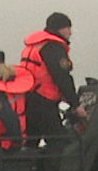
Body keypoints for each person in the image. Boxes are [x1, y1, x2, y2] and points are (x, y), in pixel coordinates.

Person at [20, 12, 87, 148]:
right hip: (44, 103)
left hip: (29, 99)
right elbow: (62, 77)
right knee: (58, 142)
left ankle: (32, 168)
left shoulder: (37, 45)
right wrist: (75, 105)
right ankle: (56, 169)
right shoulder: (53, 47)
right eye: (68, 28)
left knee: (31, 141)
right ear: (59, 29)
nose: (70, 32)